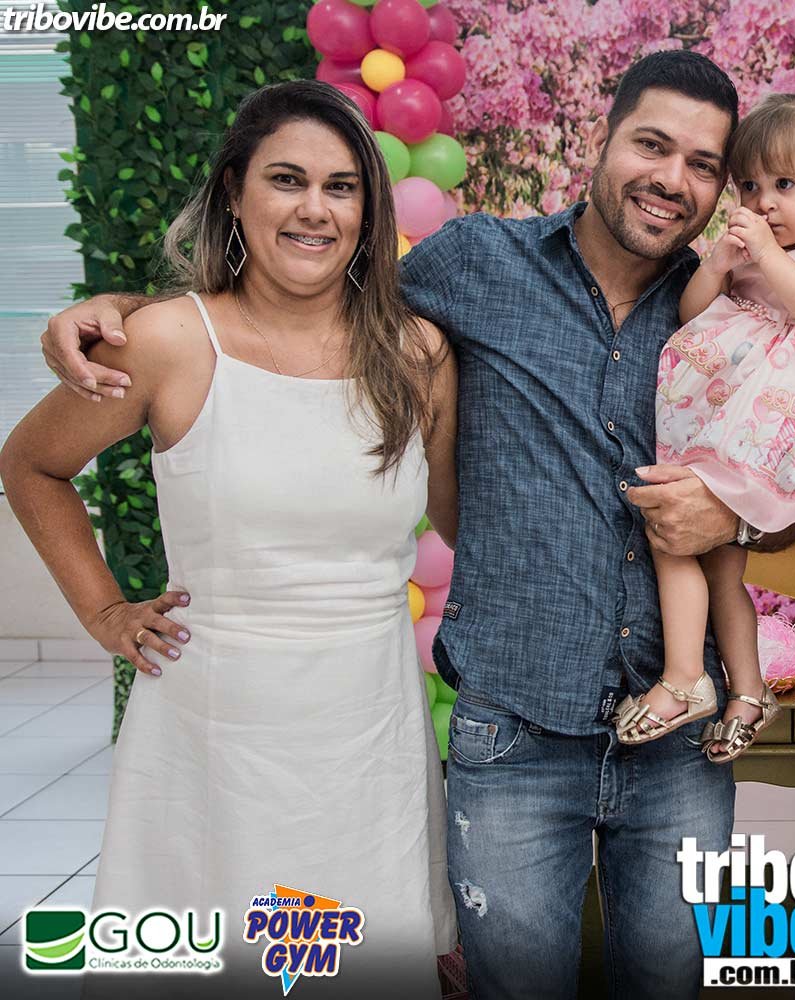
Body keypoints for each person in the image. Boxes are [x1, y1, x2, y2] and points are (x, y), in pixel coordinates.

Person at [40, 51, 752, 1000]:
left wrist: (738, 511)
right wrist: (125, 315)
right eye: (651, 145)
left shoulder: (739, 311)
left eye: (702, 163)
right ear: (603, 138)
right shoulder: (477, 264)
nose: (671, 178)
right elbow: (295, 298)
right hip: (513, 733)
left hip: (670, 733)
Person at [2, 81, 458, 997]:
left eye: (341, 187)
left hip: (367, 727)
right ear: (234, 196)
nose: (314, 208)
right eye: (286, 180)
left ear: (368, 212)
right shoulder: (167, 340)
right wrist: (103, 613)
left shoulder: (417, 354)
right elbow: (31, 465)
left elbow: (462, 521)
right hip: (214, 730)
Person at [619, 87, 795, 763]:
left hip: (776, 424)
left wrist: (766, 256)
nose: (763, 202)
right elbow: (690, 311)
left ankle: (685, 678)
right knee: (697, 552)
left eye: (784, 185)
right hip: (715, 412)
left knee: (681, 538)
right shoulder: (747, 249)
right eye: (749, 186)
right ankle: (742, 690)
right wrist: (718, 264)